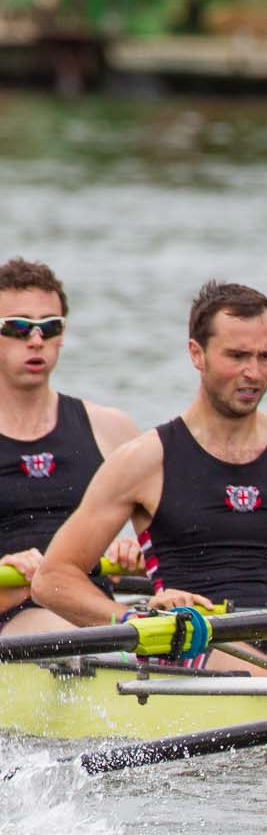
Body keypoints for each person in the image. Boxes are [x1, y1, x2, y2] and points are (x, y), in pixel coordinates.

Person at [34, 281, 267, 674]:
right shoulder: (146, 460)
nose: (254, 373)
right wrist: (132, 620)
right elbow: (53, 579)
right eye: (237, 356)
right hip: (195, 639)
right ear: (197, 353)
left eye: (266, 356)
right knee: (261, 674)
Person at [0, 256, 145, 635]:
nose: (36, 340)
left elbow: (175, 545)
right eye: (17, 327)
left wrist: (136, 550)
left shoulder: (111, 429)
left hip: (92, 611)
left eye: (49, 327)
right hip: (12, 617)